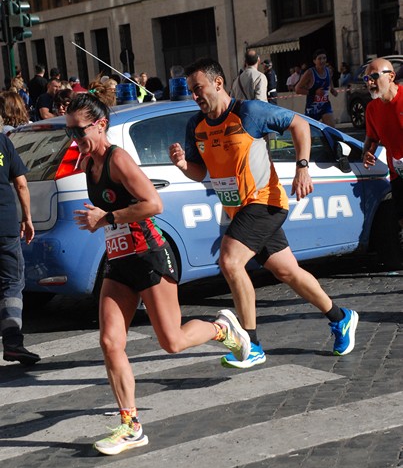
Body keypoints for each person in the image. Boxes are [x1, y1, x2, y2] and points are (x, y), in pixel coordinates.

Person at [67, 82, 250, 455]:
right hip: (119, 261)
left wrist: (107, 217)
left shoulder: (119, 160)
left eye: (78, 130)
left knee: (172, 341)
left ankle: (222, 328)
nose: (74, 138)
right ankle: (130, 424)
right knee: (109, 341)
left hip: (150, 254)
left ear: (100, 125)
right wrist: (103, 223)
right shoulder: (88, 163)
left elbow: (154, 204)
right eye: (69, 131)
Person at [169, 57, 359, 369]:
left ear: (218, 83)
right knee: (287, 272)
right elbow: (199, 171)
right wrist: (181, 165)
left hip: (265, 202)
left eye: (198, 88)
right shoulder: (196, 125)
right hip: (239, 209)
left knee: (230, 261)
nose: (194, 95)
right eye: (190, 90)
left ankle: (251, 343)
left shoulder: (249, 113)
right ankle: (341, 318)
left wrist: (302, 168)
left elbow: (299, 124)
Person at [0, 131, 40, 365]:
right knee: (12, 283)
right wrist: (27, 218)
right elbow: (21, 183)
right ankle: (13, 342)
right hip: (4, 225)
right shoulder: (3, 141)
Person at [361, 57, 403, 240]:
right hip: (398, 174)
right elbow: (372, 138)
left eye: (374, 77)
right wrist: (367, 152)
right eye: (366, 79)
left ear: (391, 76)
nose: (370, 82)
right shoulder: (371, 108)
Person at [295, 48, 338, 127]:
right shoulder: (310, 73)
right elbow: (297, 89)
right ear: (314, 61)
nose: (322, 61)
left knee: (332, 129)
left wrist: (332, 89)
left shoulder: (328, 71)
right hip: (312, 107)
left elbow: (329, 79)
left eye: (324, 58)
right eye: (319, 59)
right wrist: (314, 92)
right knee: (312, 134)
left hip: (325, 105)